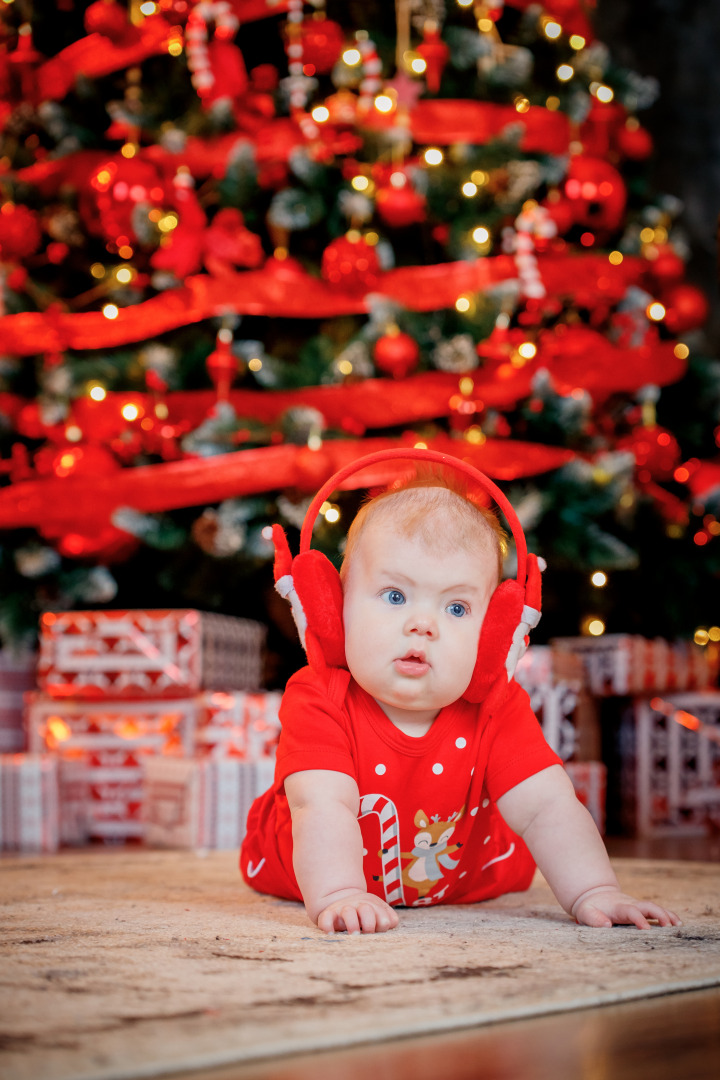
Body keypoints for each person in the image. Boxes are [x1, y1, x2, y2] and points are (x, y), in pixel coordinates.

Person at [241, 469, 681, 935]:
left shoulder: (496, 703)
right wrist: (339, 894)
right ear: (334, 609)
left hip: (467, 873)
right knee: (319, 814)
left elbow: (547, 806)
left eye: (456, 608)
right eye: (394, 595)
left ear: (495, 636)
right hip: (304, 871)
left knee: (534, 820)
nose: (423, 624)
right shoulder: (319, 695)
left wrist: (595, 890)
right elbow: (321, 805)